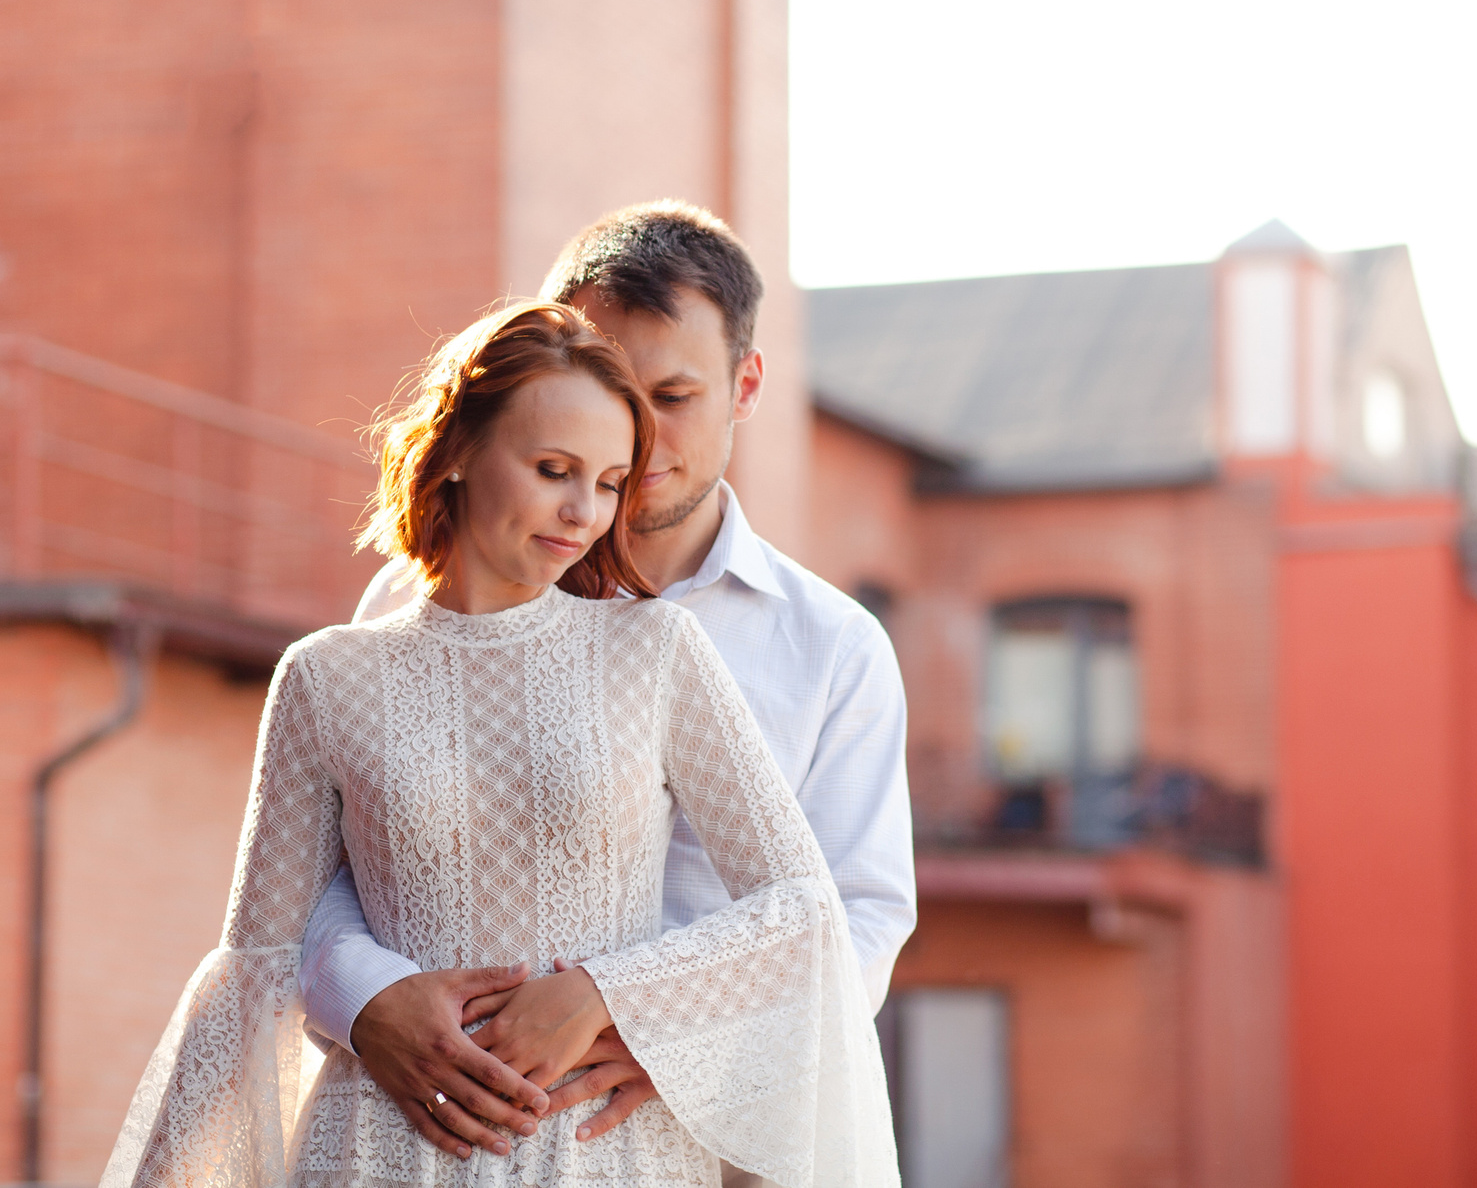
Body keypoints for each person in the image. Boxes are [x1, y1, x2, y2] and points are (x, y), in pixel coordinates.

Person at [99, 302, 898, 1188]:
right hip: (378, 1147)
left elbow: (801, 908)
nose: (583, 511)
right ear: (459, 452)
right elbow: (257, 968)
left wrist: (609, 994)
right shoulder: (325, 676)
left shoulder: (656, 652)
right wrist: (368, 1007)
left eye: (608, 481)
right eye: (554, 469)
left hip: (603, 1155)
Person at [299, 203, 915, 1167]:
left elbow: (857, 916)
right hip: (431, 1116)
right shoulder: (404, 602)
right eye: (609, 386)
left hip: (699, 1126)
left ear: (746, 384)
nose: (635, 429)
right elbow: (336, 854)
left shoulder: (830, 645)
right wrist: (365, 995)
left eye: (673, 394)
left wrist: (655, 1028)